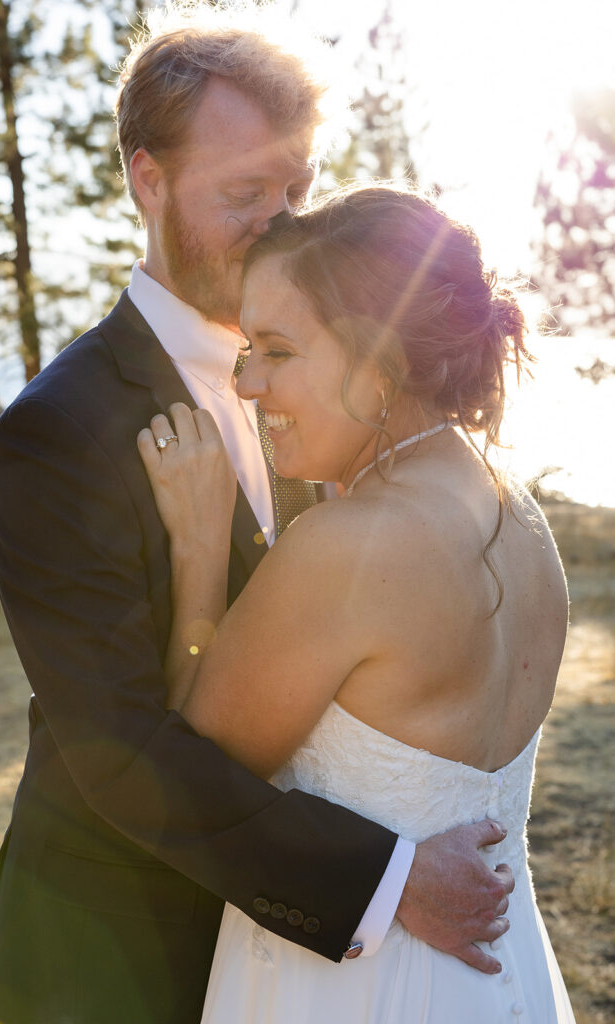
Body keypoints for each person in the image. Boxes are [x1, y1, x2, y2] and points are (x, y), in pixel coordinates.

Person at [0, 6, 513, 1024]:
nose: (282, 220)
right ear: (147, 179)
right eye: (244, 193)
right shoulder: (58, 429)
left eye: (297, 186)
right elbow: (117, 745)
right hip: (115, 953)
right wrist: (384, 879)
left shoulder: (340, 388)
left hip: (299, 969)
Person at [137, 183, 576, 1023]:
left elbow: (190, 768)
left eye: (276, 350)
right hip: (495, 969)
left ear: (377, 363)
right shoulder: (518, 515)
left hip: (352, 987)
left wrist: (198, 549)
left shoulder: (345, 547)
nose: (250, 385)